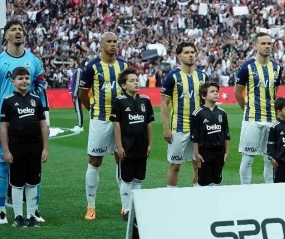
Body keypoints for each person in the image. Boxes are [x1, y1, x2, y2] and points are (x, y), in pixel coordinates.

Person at [0, 20, 49, 225]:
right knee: (4, 166)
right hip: (7, 122)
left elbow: (42, 91)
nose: (18, 32)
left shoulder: (34, 61)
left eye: (20, 30)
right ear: (6, 35)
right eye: (13, 29)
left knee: (34, 167)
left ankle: (34, 210)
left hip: (31, 122)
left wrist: (46, 121)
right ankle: (2, 211)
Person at [79, 32, 129, 221]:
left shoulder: (124, 66)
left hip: (121, 120)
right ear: (101, 44)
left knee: (121, 159)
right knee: (95, 161)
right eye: (109, 41)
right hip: (100, 119)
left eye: (115, 41)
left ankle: (125, 205)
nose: (113, 44)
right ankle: (91, 206)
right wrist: (93, 109)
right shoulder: (92, 66)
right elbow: (82, 94)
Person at [0, 68, 49, 228]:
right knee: (17, 182)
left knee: (33, 182)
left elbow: (43, 126)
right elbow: (4, 128)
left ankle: (31, 216)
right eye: (20, 78)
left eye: (27, 78)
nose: (24, 81)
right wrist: (6, 150)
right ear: (13, 82)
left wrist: (45, 148)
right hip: (16, 146)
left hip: (35, 146)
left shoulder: (36, 100)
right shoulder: (8, 101)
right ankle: (18, 216)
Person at [235, 32, 283, 184]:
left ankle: (269, 190)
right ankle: (245, 190)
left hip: (272, 119)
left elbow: (274, 92)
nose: (267, 46)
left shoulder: (277, 68)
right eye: (263, 43)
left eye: (269, 43)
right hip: (252, 119)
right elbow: (238, 93)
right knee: (248, 158)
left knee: (270, 159)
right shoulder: (246, 67)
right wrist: (247, 110)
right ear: (255, 46)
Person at [161, 42, 207, 188]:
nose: (190, 55)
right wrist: (166, 129)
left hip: (199, 129)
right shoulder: (172, 77)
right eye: (186, 52)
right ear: (179, 56)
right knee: (175, 166)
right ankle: (171, 195)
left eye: (192, 52)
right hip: (178, 128)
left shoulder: (203, 76)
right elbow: (164, 104)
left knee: (199, 164)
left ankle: (197, 195)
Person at [110, 68, 154, 221]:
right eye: (131, 80)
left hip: (141, 145)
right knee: (127, 179)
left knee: (138, 179)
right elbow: (116, 125)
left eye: (136, 80)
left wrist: (150, 144)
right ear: (124, 85)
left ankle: (136, 209)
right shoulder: (119, 101)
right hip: (127, 146)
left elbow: (148, 124)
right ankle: (127, 209)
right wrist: (119, 146)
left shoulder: (145, 100)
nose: (136, 83)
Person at [190, 82, 230, 187]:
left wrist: (226, 152)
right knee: (204, 182)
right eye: (212, 91)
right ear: (204, 96)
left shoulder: (222, 112)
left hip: (219, 151)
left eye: (217, 91)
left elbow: (226, 134)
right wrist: (196, 154)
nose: (216, 93)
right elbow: (194, 137)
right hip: (205, 152)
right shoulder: (197, 113)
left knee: (217, 181)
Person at [69, 66, 84, 133]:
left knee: (78, 109)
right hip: (77, 92)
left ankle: (80, 126)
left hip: (77, 93)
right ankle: (79, 124)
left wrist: (75, 93)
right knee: (77, 109)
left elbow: (77, 82)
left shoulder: (78, 70)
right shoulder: (77, 70)